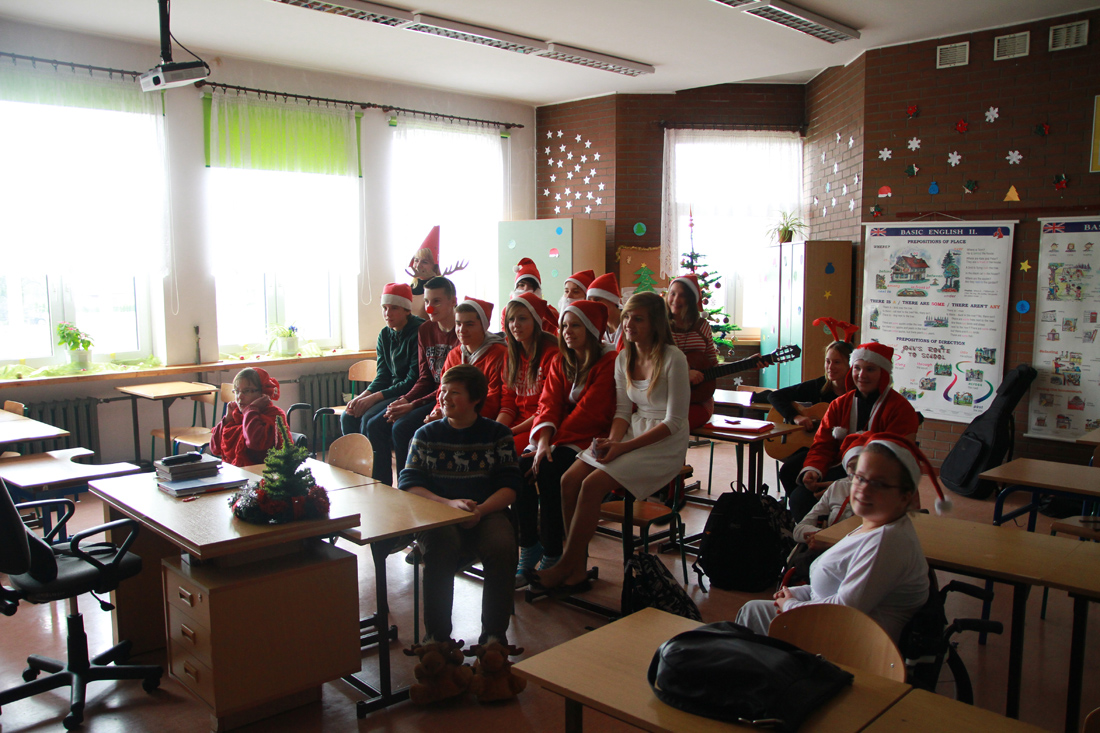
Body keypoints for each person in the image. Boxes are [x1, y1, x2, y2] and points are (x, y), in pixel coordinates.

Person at [528, 291, 690, 592]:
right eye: (626, 317)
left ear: (655, 323)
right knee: (568, 479)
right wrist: (611, 443)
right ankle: (576, 569)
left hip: (665, 442)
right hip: (633, 431)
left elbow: (674, 422)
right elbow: (623, 412)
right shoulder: (625, 357)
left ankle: (567, 564)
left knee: (592, 485)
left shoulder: (673, 358)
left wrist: (622, 448)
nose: (628, 324)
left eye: (638, 319)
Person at [736, 433, 946, 643]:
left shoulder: (886, 541)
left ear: (905, 496)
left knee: (747, 622)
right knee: (751, 612)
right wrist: (797, 595)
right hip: (834, 625)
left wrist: (790, 605)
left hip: (849, 644)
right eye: (860, 478)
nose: (864, 489)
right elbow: (832, 588)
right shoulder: (872, 525)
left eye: (879, 484)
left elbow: (845, 610)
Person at [398, 365, 522, 645]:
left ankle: (493, 639)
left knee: (502, 547)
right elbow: (409, 484)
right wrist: (448, 504)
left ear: (475, 398)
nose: (445, 398)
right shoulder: (425, 435)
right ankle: (437, 640)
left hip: (487, 512)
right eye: (443, 391)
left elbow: (511, 487)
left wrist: (480, 510)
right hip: (438, 514)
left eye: (454, 392)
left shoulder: (498, 434)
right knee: (440, 548)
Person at [515, 300, 617, 581]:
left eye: (575, 325)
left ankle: (553, 551)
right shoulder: (563, 359)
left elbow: (591, 412)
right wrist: (542, 442)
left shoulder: (609, 361)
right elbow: (548, 403)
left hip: (589, 435)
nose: (567, 331)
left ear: (591, 329)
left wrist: (552, 445)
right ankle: (529, 546)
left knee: (549, 469)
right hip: (559, 435)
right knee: (521, 467)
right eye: (563, 326)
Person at [797, 342, 920, 521]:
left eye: (870, 369)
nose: (861, 375)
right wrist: (813, 470)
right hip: (842, 468)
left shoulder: (901, 409)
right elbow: (823, 445)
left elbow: (896, 463)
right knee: (800, 498)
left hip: (879, 480)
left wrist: (846, 486)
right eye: (857, 368)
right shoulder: (838, 404)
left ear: (883, 373)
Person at [371, 276, 458, 486]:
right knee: (375, 423)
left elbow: (449, 386)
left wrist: (412, 405)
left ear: (453, 302)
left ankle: (408, 486)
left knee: (400, 427)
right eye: (427, 301)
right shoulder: (426, 330)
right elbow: (424, 378)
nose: (430, 308)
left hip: (447, 398)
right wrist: (405, 399)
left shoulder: (461, 331)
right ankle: (384, 486)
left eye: (436, 301)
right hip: (429, 394)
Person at [341, 283, 424, 468]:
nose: (387, 313)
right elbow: (382, 376)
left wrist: (374, 398)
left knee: (371, 422)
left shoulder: (419, 332)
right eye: (384, 308)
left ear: (406, 310)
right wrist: (362, 397)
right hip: (390, 390)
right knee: (348, 415)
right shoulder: (385, 335)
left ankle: (380, 477)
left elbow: (412, 380)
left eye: (394, 308)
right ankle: (357, 471)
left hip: (409, 392)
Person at [769, 340, 855, 519]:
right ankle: (797, 517)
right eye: (827, 361)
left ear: (850, 365)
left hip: (840, 453)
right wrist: (796, 416)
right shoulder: (819, 386)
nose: (830, 367)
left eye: (837, 362)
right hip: (816, 448)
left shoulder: (856, 394)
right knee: (788, 471)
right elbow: (775, 396)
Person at [427, 297, 506, 422]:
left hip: (480, 420)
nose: (462, 330)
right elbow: (442, 391)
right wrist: (437, 412)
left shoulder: (499, 354)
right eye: (458, 324)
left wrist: (451, 416)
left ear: (483, 326)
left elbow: (493, 400)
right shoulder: (454, 355)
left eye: (469, 324)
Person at [498, 293, 559, 453]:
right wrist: (496, 429)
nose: (515, 325)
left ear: (536, 321)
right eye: (511, 319)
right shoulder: (511, 355)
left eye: (522, 319)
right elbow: (508, 403)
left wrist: (511, 431)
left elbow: (546, 408)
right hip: (518, 424)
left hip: (541, 425)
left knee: (502, 453)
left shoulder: (552, 354)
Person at [666, 273, 719, 429]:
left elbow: (712, 363)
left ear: (691, 300)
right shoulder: (660, 325)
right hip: (665, 397)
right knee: (666, 420)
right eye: (672, 294)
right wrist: (683, 374)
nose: (675, 300)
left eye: (682, 295)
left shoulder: (702, 326)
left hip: (697, 401)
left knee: (681, 422)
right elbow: (652, 362)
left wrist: (748, 363)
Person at [210, 367, 286, 467]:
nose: (240, 397)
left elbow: (254, 443)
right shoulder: (236, 415)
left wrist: (251, 410)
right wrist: (227, 419)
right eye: (237, 391)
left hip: (262, 472)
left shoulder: (274, 415)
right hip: (235, 471)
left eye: (247, 391)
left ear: (262, 393)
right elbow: (215, 449)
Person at [511, 258, 559, 334]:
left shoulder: (549, 313)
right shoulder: (507, 312)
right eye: (522, 285)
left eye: (531, 286)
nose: (526, 289)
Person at [586, 272, 623, 347]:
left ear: (612, 301)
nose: (593, 305)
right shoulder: (599, 329)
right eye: (589, 300)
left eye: (597, 299)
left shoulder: (629, 326)